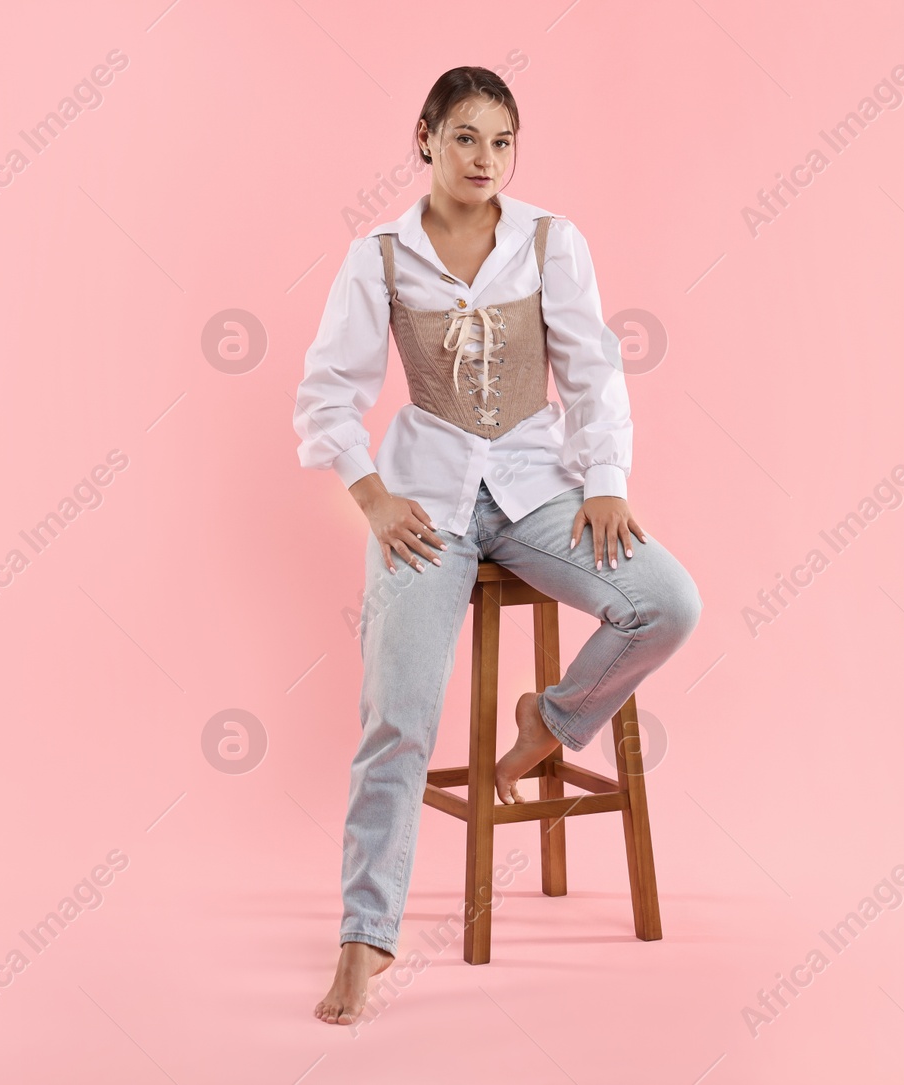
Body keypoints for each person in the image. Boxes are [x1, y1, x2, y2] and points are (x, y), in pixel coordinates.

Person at [293, 66, 702, 1026]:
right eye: (467, 137)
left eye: (504, 141)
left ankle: (551, 721)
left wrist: (604, 481)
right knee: (397, 712)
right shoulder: (381, 254)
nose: (486, 159)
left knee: (668, 601)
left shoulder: (551, 242)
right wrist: (374, 498)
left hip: (535, 493)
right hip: (427, 505)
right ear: (425, 138)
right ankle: (364, 937)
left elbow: (595, 368)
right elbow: (326, 393)